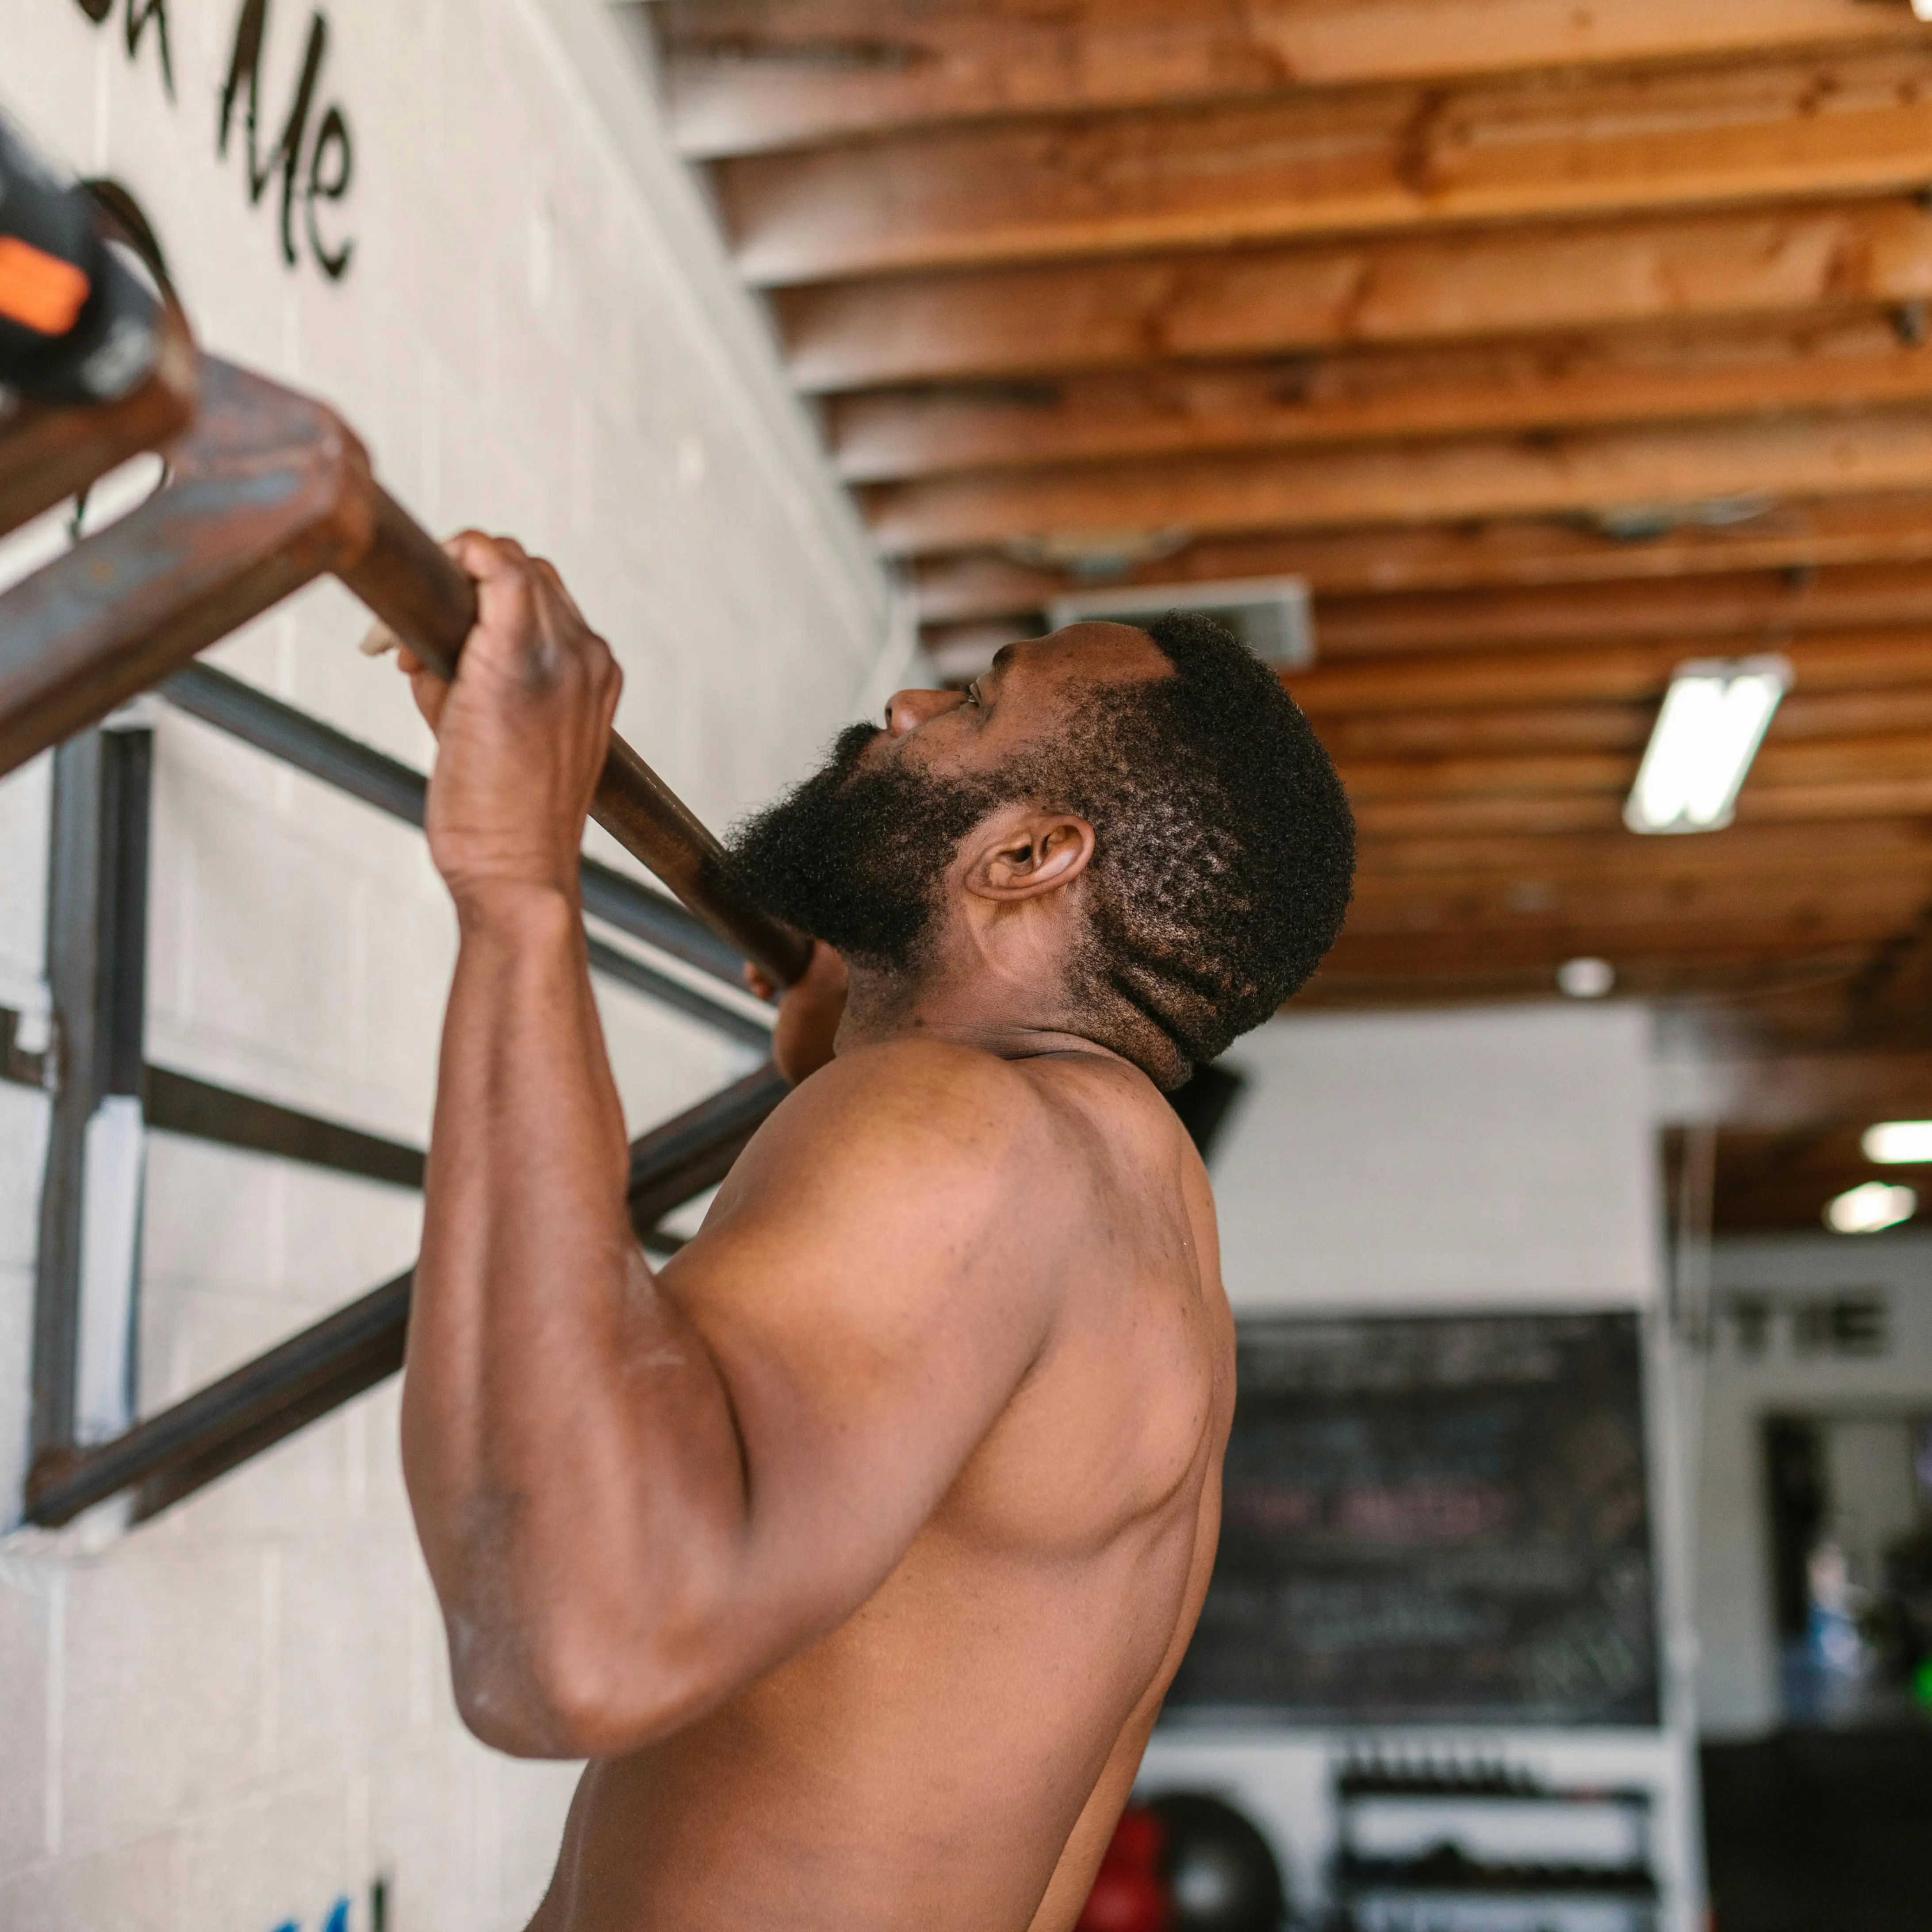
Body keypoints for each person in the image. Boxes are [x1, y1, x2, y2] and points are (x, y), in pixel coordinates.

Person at [387, 533, 1353, 1932]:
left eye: (972, 702)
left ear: (1029, 855)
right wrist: (860, 1045)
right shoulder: (1142, 1205)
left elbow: (570, 1641)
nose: (904, 706)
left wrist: (515, 878)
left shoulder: (966, 1134)